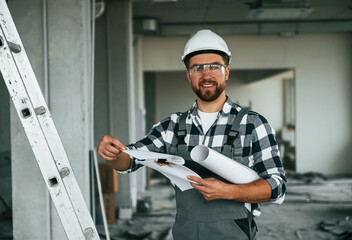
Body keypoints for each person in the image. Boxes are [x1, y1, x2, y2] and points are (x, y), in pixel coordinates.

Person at [98, 29, 286, 240]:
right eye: (197, 68)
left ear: (227, 72)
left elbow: (277, 186)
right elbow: (130, 160)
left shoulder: (252, 124)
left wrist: (227, 191)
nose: (206, 75)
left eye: (215, 67)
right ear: (189, 75)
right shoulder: (172, 126)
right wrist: (113, 154)